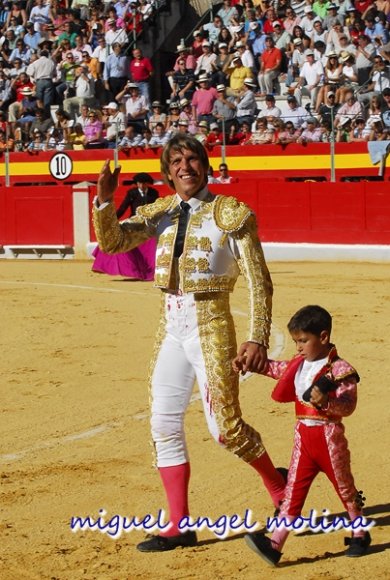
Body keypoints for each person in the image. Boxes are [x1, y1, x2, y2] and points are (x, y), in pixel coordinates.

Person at [93, 134, 286, 552]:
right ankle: (179, 524)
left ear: (205, 166)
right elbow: (111, 243)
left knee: (227, 431)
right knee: (163, 423)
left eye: (192, 159)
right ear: (167, 172)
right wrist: (104, 202)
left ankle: (280, 491)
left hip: (211, 325)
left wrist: (256, 336)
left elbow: (259, 280)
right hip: (173, 328)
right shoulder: (160, 211)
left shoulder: (230, 213)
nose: (185, 166)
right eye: (176, 161)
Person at [240, 305, 371, 566]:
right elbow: (276, 369)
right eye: (295, 341)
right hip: (303, 438)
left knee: (345, 488)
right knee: (292, 493)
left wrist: (325, 404)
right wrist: (251, 363)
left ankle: (360, 531)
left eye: (303, 341)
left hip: (329, 438)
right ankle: (275, 544)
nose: (298, 347)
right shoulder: (300, 364)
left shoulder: (341, 369)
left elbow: (348, 406)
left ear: (323, 337)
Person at [92, 172, 158, 280]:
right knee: (117, 235)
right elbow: (123, 207)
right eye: (139, 183)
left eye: (143, 183)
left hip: (149, 222)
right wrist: (113, 221)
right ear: (137, 184)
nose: (141, 185)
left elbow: (156, 209)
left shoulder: (153, 193)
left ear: (147, 184)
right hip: (135, 222)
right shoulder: (132, 193)